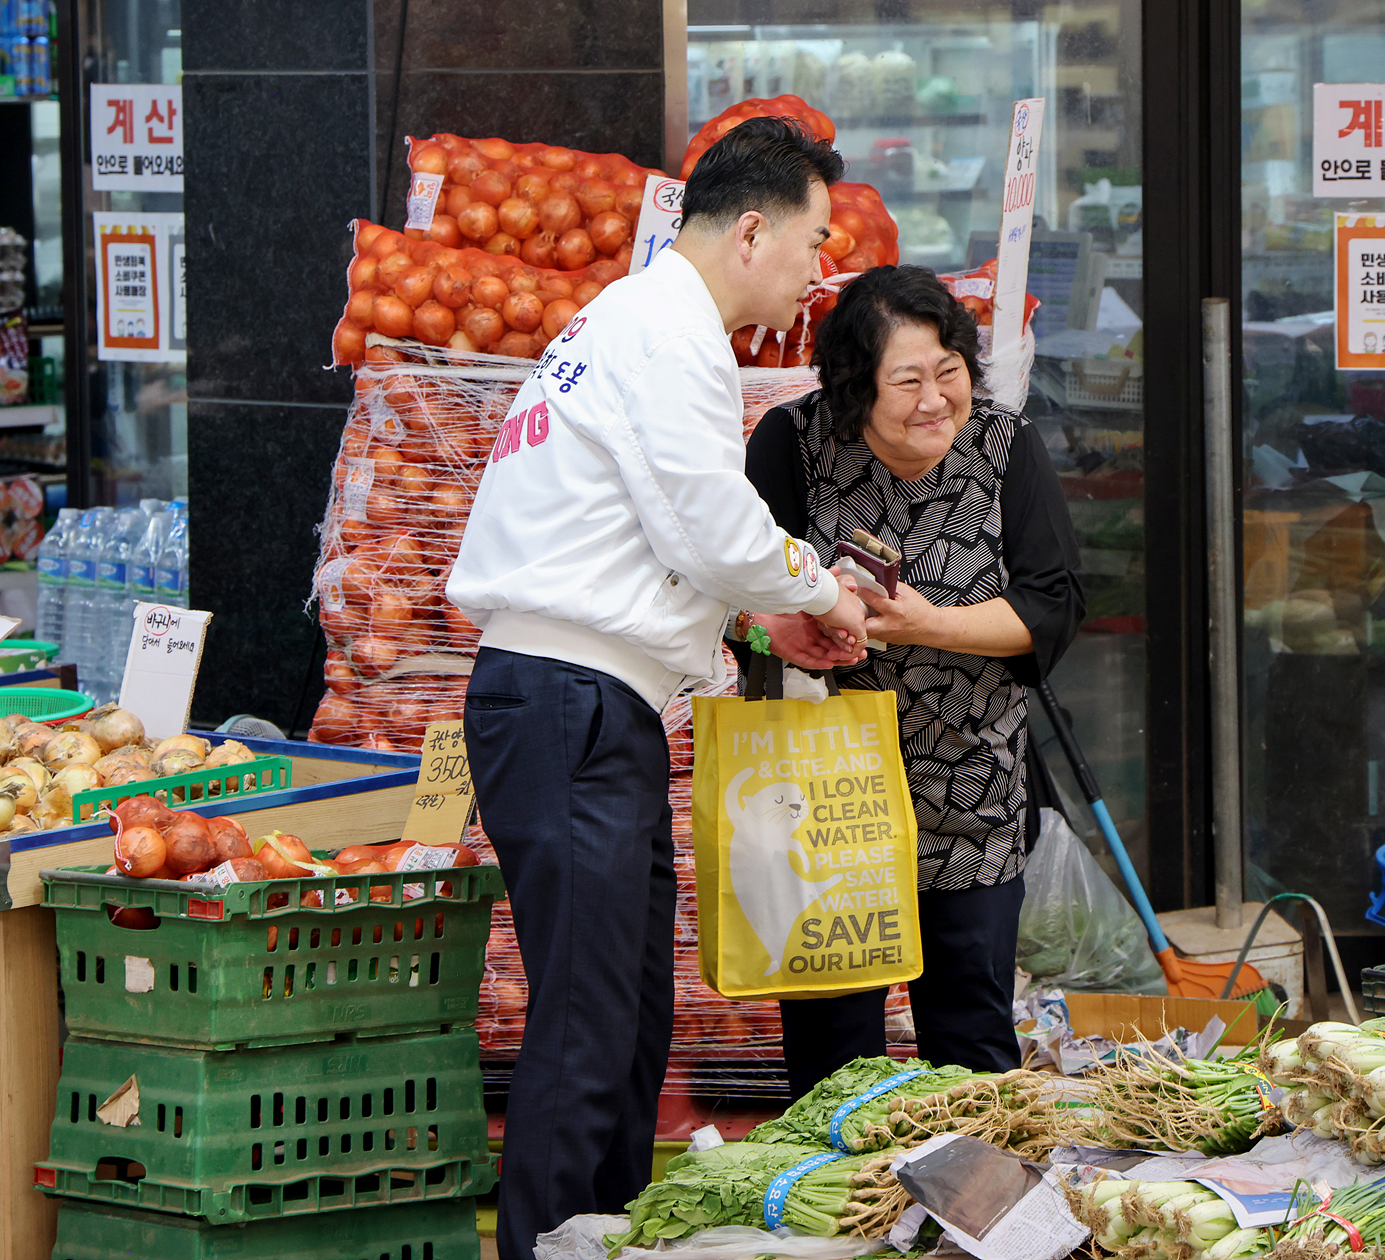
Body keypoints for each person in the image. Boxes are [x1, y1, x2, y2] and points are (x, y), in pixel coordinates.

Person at [446, 118, 871, 1260]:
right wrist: (818, 590)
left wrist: (761, 604)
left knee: (630, 1019)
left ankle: (609, 1238)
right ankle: (549, 1246)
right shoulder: (665, 328)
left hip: (587, 700)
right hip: (568, 699)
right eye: (812, 239)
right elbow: (708, 517)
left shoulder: (632, 319)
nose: (817, 267)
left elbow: (664, 533)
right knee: (589, 1026)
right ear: (750, 230)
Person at [737, 264, 1084, 1097]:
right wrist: (780, 634)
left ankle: (970, 1221)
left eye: (949, 373)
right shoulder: (792, 444)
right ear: (856, 388)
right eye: (907, 380)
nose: (935, 400)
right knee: (832, 1046)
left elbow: (1050, 608)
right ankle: (842, 1214)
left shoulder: (1005, 448)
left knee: (970, 1037)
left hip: (969, 784)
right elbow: (729, 597)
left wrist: (927, 624)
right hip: (825, 790)